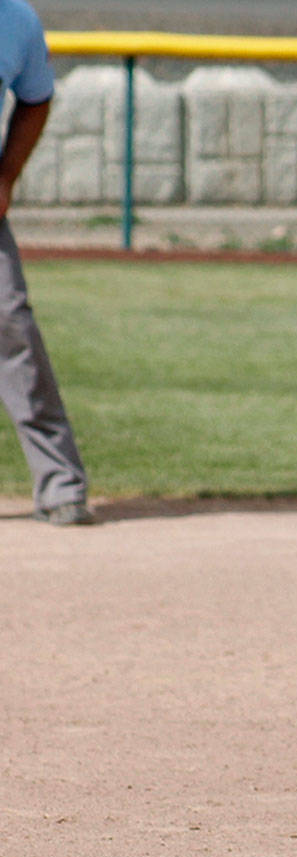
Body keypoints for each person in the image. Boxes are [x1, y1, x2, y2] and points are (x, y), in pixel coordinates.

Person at [1, 0, 93, 526]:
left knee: (11, 326)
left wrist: (7, 175)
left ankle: (60, 483)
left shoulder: (15, 20)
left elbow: (35, 99)